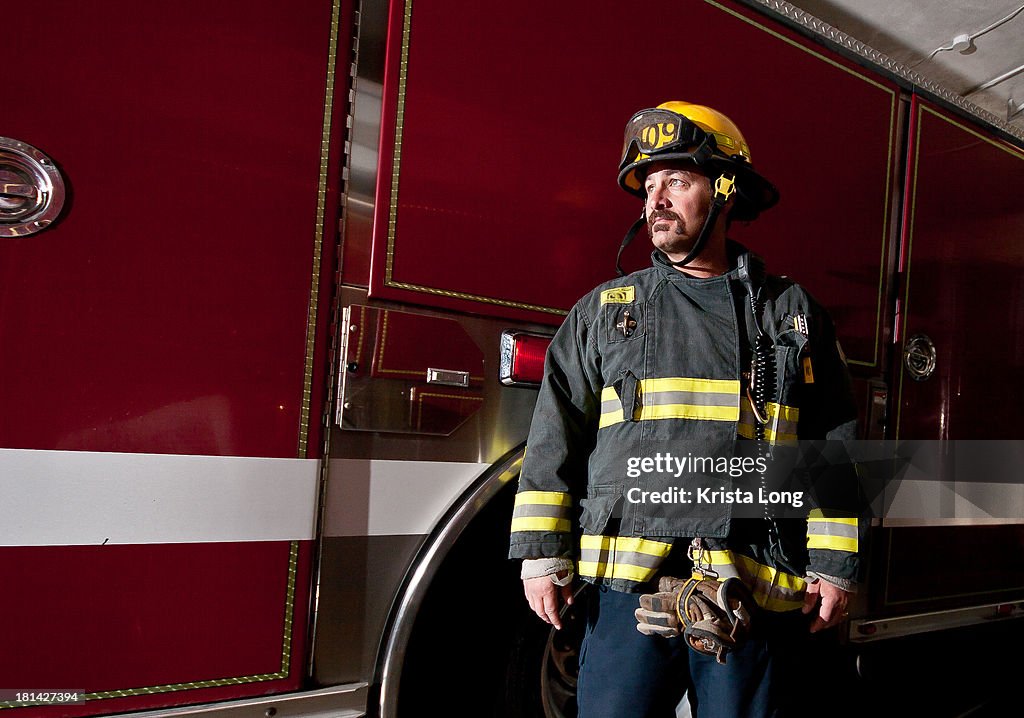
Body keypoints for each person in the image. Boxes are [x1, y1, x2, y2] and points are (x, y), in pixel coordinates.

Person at [508, 101, 862, 718]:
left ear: (725, 190)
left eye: (677, 180)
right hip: (626, 584)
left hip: (749, 579)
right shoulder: (604, 312)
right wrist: (542, 556)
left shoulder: (789, 310)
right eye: (648, 186)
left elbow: (830, 444)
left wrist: (833, 564)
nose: (656, 200)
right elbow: (552, 441)